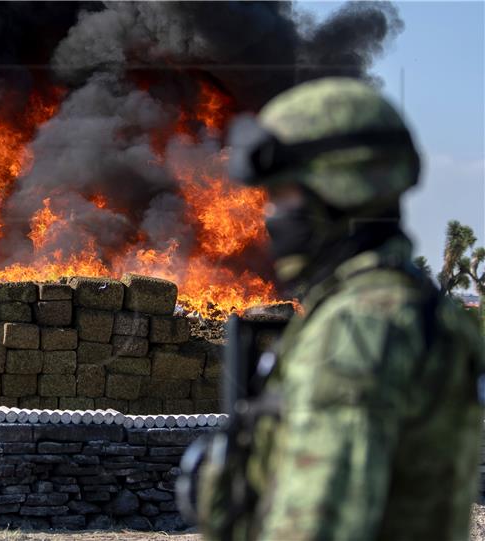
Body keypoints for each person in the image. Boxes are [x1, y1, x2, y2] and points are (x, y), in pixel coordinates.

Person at [199, 77, 485, 541]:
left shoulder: (357, 328)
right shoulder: (427, 311)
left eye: (284, 195)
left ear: (340, 186)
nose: (270, 216)